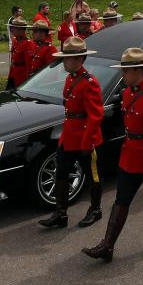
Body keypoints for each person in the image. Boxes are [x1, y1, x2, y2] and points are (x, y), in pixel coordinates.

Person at [83, 48, 143, 261]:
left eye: (126, 71)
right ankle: (107, 245)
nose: (123, 75)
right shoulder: (127, 93)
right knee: (122, 199)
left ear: (139, 71)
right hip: (131, 157)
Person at [39, 37, 105, 229]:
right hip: (69, 137)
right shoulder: (70, 79)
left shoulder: (89, 82)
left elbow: (95, 116)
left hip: (86, 138)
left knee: (93, 175)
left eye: (67, 58)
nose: (64, 62)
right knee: (61, 173)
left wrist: (86, 143)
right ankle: (61, 212)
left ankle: (95, 209)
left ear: (79, 59)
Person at [7, 17, 35, 89]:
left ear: (21, 30)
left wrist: (28, 80)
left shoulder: (28, 44)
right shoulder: (15, 40)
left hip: (22, 76)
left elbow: (29, 64)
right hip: (13, 73)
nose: (12, 30)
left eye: (14, 28)